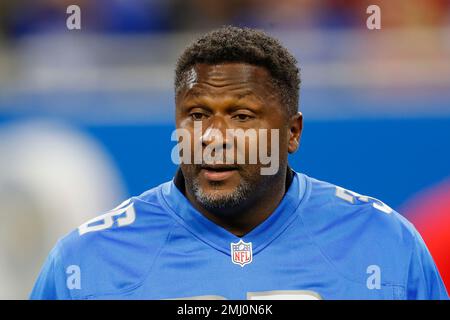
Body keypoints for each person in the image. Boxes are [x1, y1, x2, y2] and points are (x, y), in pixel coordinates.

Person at [30, 26, 448, 300]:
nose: (214, 137)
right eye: (196, 116)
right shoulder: (87, 259)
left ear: (293, 132)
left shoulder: (383, 241)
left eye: (242, 116)